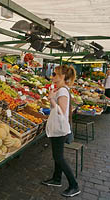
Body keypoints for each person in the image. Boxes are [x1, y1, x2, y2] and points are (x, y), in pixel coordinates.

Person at [42, 65, 80, 197]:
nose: (52, 77)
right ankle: (56, 179)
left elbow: (61, 112)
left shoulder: (62, 91)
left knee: (59, 157)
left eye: (55, 74)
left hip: (59, 129)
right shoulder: (61, 89)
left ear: (62, 76)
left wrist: (51, 98)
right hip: (57, 128)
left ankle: (74, 185)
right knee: (57, 156)